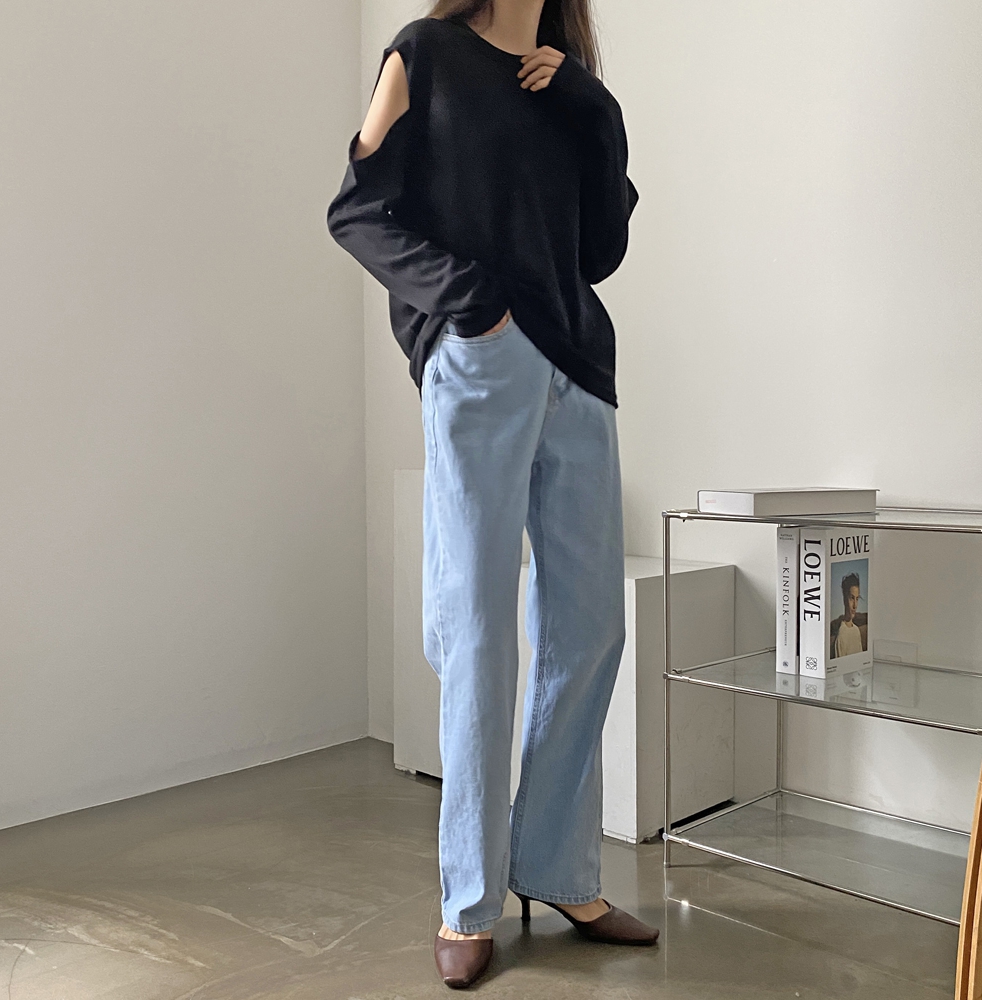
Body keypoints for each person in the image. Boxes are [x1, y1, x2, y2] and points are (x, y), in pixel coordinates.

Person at [327, 0, 657, 987]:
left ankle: (558, 870)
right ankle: (468, 897)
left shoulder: (567, 86)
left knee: (590, 626)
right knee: (475, 623)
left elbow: (600, 252)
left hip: (579, 374)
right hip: (483, 362)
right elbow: (356, 211)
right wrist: (472, 307)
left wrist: (593, 108)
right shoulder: (424, 55)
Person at [833, 572, 865, 657]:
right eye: (851, 598)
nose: (855, 605)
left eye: (857, 599)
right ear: (844, 599)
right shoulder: (841, 635)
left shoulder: (856, 631)